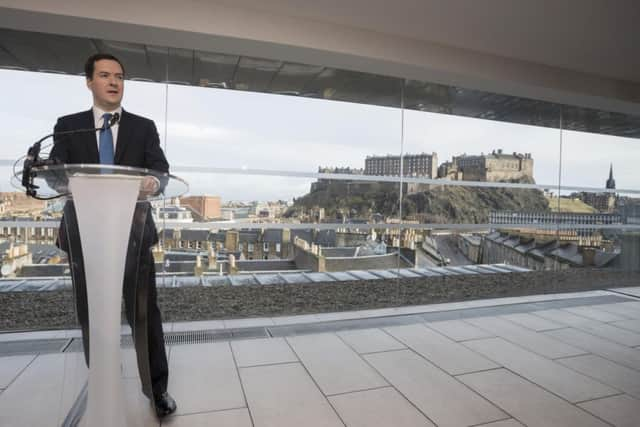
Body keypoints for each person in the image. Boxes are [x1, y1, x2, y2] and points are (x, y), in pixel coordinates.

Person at [50, 53, 177, 418]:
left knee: (144, 315)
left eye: (119, 76)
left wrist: (153, 180)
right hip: (85, 237)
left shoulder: (143, 127)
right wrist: (55, 174)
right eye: (104, 75)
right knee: (92, 314)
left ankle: (157, 391)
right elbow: (56, 171)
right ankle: (103, 381)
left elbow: (161, 170)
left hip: (133, 233)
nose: (113, 81)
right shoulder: (69, 126)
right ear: (89, 81)